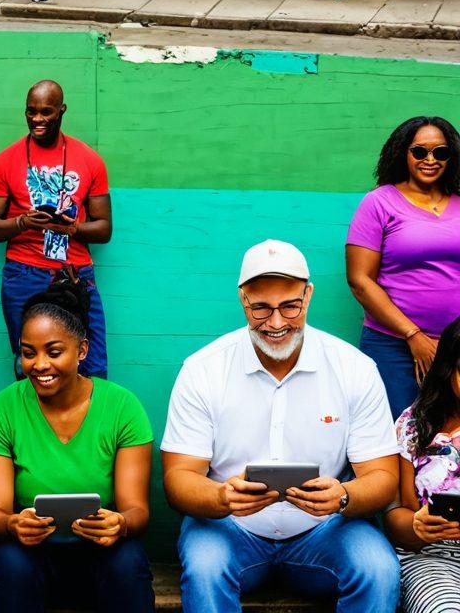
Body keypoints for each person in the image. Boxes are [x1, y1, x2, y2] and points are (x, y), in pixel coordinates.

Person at [162, 239, 400, 613]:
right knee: (206, 568)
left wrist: (343, 497)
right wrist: (221, 497)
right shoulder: (203, 370)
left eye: (290, 306)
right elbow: (178, 479)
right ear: (243, 299)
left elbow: (384, 477)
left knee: (379, 569)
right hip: (229, 529)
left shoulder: (353, 368)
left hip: (326, 529)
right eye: (261, 308)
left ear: (308, 296)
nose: (275, 323)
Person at [0, 275, 155, 613]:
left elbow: (137, 510)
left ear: (82, 350)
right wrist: (13, 524)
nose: (39, 365)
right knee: (11, 560)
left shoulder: (122, 407)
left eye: (54, 352)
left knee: (128, 559)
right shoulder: (2, 409)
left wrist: (121, 523)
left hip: (99, 551)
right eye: (28, 353)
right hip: (30, 552)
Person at [0, 79, 111, 378]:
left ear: (62, 111)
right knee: (30, 367)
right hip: (24, 273)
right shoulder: (5, 161)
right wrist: (22, 222)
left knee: (92, 366)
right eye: (31, 112)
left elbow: (104, 229)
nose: (37, 119)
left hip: (75, 274)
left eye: (46, 112)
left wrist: (73, 229)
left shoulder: (89, 160)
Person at [346, 115, 460, 419]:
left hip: (456, 347)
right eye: (420, 151)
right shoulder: (379, 203)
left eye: (441, 152)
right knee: (397, 433)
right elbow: (360, 280)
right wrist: (413, 335)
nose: (430, 160)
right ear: (403, 153)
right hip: (393, 345)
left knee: (451, 440)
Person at [384, 315, 460, 613]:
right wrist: (417, 526)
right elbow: (397, 514)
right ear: (447, 369)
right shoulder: (414, 424)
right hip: (433, 559)